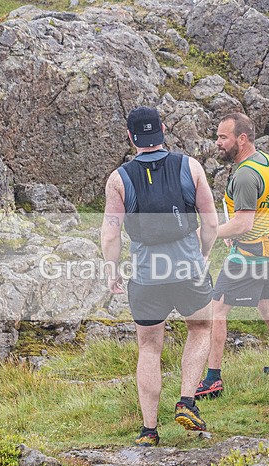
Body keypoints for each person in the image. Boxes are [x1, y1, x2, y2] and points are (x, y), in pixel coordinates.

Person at [101, 106, 218, 446]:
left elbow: (110, 233)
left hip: (146, 275)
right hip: (188, 269)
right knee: (200, 329)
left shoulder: (118, 179)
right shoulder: (190, 166)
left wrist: (113, 269)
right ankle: (186, 402)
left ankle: (149, 431)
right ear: (163, 130)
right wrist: (204, 253)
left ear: (130, 136)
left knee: (149, 346)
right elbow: (210, 222)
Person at [195, 113, 269, 400]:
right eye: (217, 137)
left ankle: (213, 379)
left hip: (250, 255)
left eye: (223, 137)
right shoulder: (267, 162)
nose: (217, 143)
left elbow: (244, 223)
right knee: (268, 306)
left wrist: (210, 231)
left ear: (241, 139)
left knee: (217, 311)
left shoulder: (243, 174)